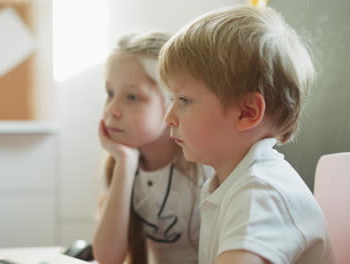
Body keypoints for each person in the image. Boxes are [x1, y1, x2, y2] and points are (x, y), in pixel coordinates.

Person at [160, 5, 335, 264]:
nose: (168, 117)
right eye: (172, 98)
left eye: (184, 99)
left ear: (247, 112)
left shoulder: (262, 192)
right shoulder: (231, 182)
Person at [92, 31, 212, 264]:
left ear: (172, 101)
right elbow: (108, 259)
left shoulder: (204, 167)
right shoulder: (119, 166)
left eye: (132, 97)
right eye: (110, 93)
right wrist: (125, 163)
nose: (111, 110)